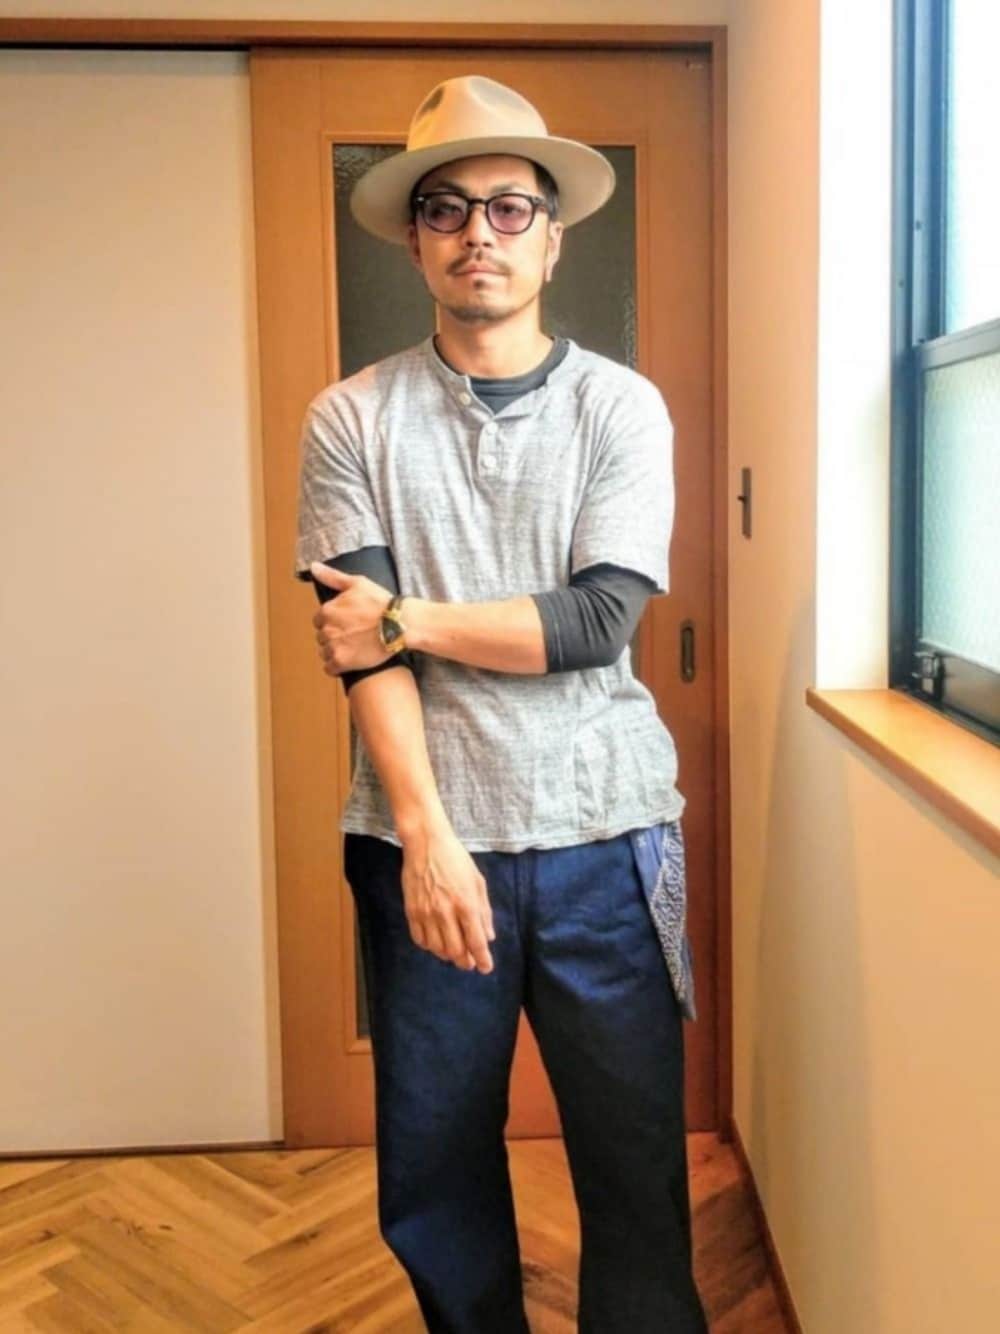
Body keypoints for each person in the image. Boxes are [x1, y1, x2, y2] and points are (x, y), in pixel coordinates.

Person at [294, 74, 707, 1334]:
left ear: (551, 234)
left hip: (607, 838)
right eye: (447, 207)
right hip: (422, 838)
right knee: (433, 1165)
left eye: (509, 206)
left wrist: (412, 617)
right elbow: (356, 650)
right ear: (414, 237)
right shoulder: (351, 417)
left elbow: (594, 624)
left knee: (633, 1155)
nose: (479, 231)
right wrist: (426, 837)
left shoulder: (619, 406)